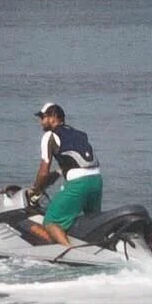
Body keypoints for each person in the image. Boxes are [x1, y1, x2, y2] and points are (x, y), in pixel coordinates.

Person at [28, 102, 102, 246]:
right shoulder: (79, 134)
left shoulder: (49, 136)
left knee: (51, 221)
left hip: (79, 184)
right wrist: (45, 184)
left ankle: (70, 253)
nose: (40, 122)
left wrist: (35, 191)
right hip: (97, 181)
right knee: (92, 222)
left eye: (43, 117)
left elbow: (43, 172)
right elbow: (66, 169)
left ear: (53, 117)